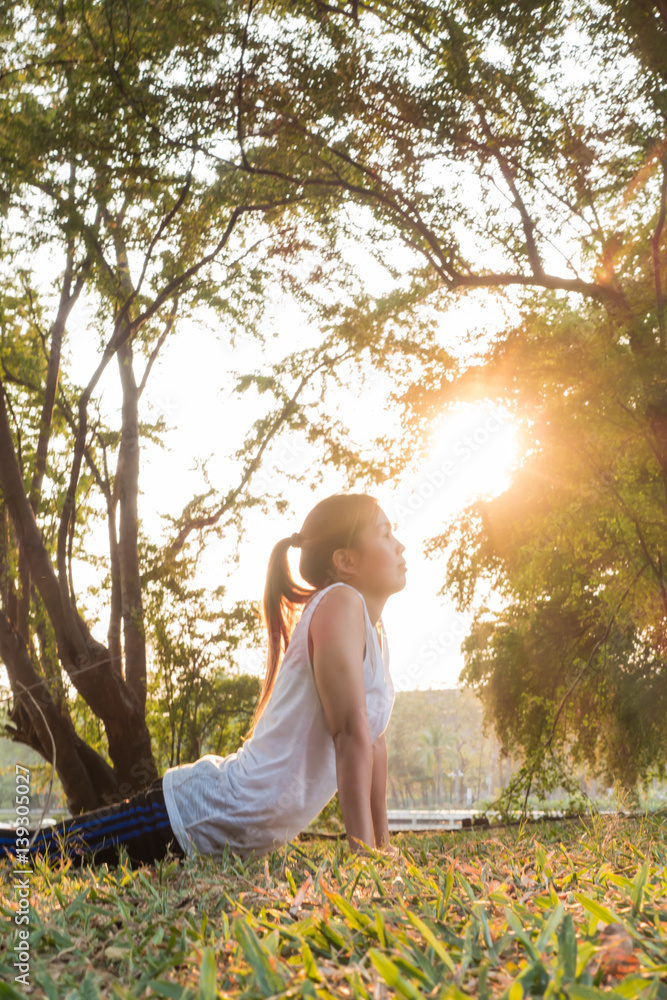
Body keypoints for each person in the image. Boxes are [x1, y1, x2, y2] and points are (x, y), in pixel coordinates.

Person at [0, 492, 406, 868]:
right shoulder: (340, 602)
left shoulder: (379, 633)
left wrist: (384, 850)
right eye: (386, 534)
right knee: (39, 853)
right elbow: (349, 735)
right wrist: (365, 862)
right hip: (195, 814)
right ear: (345, 561)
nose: (400, 545)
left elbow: (373, 740)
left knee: (45, 850)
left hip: (223, 830)